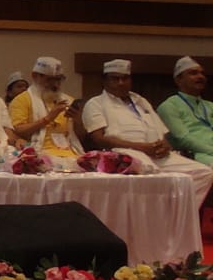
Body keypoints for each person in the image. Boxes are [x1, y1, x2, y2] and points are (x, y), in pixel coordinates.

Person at [83, 60, 213, 200]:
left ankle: (179, 211)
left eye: (125, 78)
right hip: (124, 152)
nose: (121, 82)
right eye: (115, 79)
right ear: (104, 81)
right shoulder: (95, 103)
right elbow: (99, 139)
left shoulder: (141, 101)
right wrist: (141, 147)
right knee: (150, 172)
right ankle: (161, 209)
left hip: (156, 153)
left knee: (202, 172)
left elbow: (163, 133)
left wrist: (165, 146)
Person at [9, 56, 83, 161]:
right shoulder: (22, 100)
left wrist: (77, 120)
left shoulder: (68, 100)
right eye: (50, 80)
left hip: (70, 152)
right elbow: (18, 131)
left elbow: (81, 136)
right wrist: (48, 118)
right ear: (35, 76)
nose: (55, 84)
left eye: (58, 79)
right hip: (39, 153)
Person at [158, 56, 213, 165]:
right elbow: (183, 139)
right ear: (178, 80)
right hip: (197, 154)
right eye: (193, 73)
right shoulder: (169, 106)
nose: (200, 76)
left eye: (202, 73)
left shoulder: (210, 105)